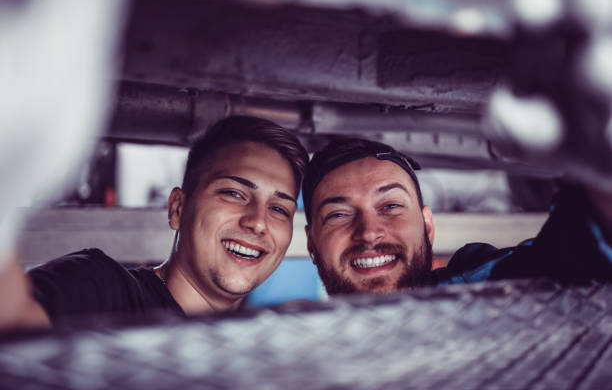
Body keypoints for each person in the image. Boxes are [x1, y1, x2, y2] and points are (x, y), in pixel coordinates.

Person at [0, 115, 309, 328]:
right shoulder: (103, 289)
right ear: (178, 208)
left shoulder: (263, 342)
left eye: (279, 208)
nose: (257, 221)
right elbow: (12, 323)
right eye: (233, 193)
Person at [302, 137, 612, 295]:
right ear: (312, 244)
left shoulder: (484, 288)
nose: (369, 232)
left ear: (427, 226)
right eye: (339, 214)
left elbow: (575, 248)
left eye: (390, 207)